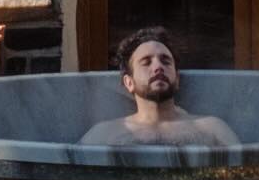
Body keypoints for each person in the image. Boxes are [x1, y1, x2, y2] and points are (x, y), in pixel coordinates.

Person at [80, 28, 238, 149]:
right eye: (146, 62)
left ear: (177, 79)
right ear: (129, 82)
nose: (158, 67)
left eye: (165, 61)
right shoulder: (103, 134)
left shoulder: (212, 129)